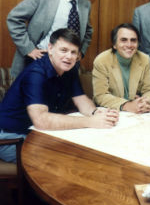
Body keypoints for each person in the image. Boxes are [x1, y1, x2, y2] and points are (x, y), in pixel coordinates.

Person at [0, 28, 119, 163]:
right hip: (11, 138)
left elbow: (81, 99)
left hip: (37, 134)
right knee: (66, 159)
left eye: (73, 52)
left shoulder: (69, 68)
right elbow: (41, 120)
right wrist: (90, 122)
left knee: (90, 149)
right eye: (63, 50)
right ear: (50, 49)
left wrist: (96, 113)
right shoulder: (35, 73)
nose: (68, 56)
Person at [7, 0, 96, 78]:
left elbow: (88, 31)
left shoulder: (86, 5)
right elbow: (14, 18)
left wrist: (82, 51)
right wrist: (29, 49)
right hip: (39, 59)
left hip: (67, 65)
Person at [93, 23, 150, 113]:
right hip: (111, 111)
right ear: (114, 45)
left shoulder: (144, 59)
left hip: (138, 111)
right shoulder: (102, 60)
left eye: (133, 40)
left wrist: (147, 102)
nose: (129, 45)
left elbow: (149, 89)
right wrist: (127, 105)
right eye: (124, 40)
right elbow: (100, 95)